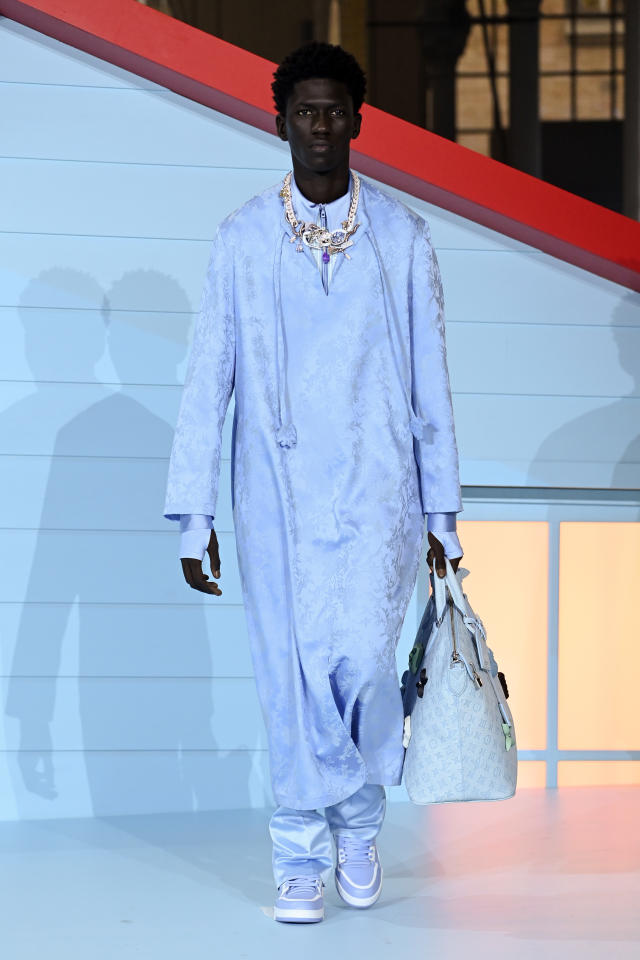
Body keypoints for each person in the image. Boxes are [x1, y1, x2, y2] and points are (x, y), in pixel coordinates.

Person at [163, 41, 464, 923]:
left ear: (359, 121)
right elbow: (206, 377)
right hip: (276, 497)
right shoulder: (243, 239)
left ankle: (361, 825)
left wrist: (442, 514)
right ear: (282, 120)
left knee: (366, 668)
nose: (321, 126)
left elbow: (430, 383)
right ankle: (300, 850)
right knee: (287, 675)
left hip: (379, 497)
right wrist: (195, 516)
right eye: (305, 111)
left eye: (335, 110)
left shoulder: (402, 239)